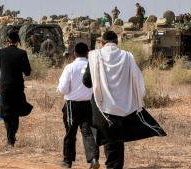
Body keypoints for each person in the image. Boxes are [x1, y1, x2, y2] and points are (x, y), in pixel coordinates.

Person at [83, 31, 145, 169]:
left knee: (92, 131)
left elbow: (87, 82)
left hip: (101, 108)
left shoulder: (95, 56)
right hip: (124, 108)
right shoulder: (128, 56)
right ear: (117, 42)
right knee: (117, 146)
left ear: (102, 43)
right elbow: (137, 81)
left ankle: (93, 158)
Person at [58, 42, 100, 169]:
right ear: (88, 53)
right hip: (89, 104)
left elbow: (63, 89)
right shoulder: (92, 67)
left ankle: (67, 161)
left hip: (72, 105)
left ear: (74, 53)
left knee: (70, 133)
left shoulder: (70, 67)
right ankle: (93, 159)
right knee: (88, 133)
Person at [0, 32, 31, 149]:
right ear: (18, 40)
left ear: (7, 40)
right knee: (16, 112)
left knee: (6, 112)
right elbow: (28, 72)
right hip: (17, 87)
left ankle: (10, 138)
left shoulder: (1, 52)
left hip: (4, 87)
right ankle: (12, 136)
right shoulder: (22, 53)